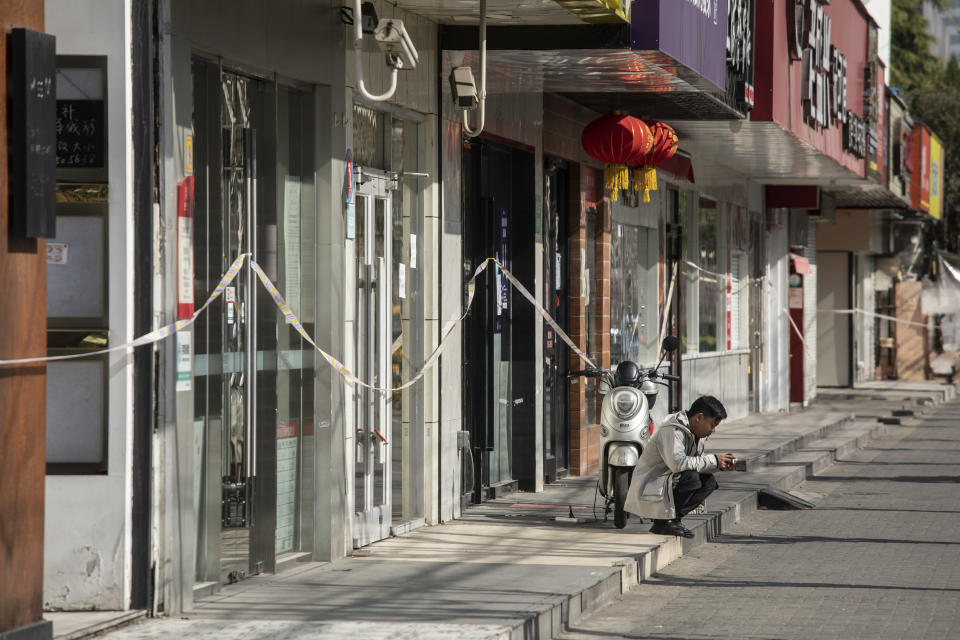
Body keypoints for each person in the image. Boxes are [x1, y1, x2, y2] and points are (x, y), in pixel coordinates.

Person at [623, 395, 735, 538]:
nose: (713, 430)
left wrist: (719, 464)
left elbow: (696, 463)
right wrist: (713, 460)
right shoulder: (672, 430)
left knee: (709, 482)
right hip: (649, 488)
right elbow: (678, 464)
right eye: (712, 425)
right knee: (691, 477)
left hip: (666, 485)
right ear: (699, 418)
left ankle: (673, 520)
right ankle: (663, 522)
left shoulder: (696, 433)